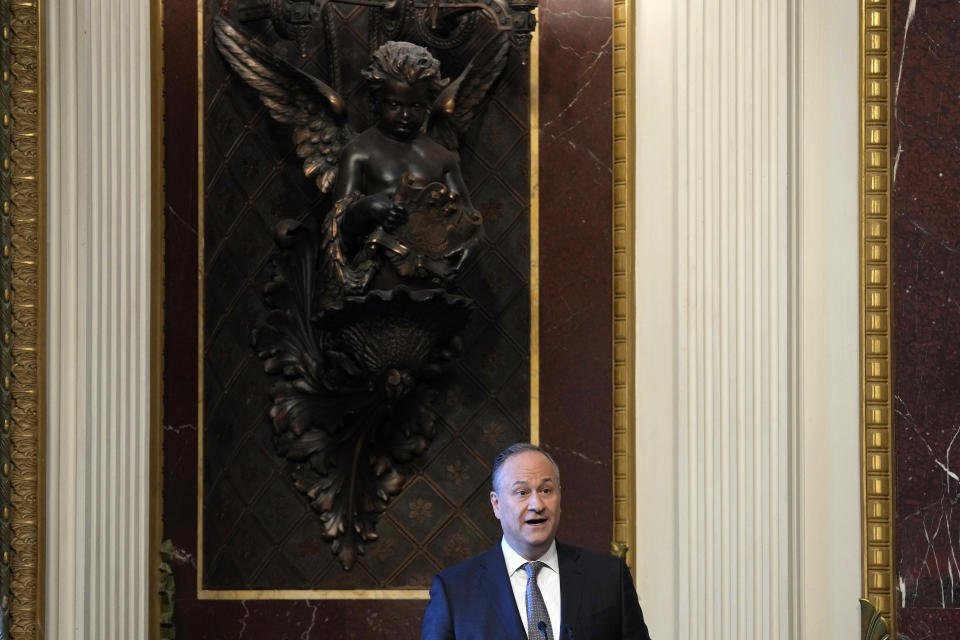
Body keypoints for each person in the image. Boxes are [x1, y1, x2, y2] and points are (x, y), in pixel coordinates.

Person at [421, 443, 652, 640]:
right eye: (522, 492)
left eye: (546, 490)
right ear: (496, 504)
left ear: (559, 496)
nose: (537, 504)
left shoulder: (609, 578)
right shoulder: (454, 591)